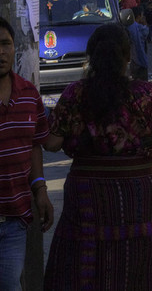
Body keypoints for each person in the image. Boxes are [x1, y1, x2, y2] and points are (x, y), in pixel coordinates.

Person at [43, 24, 152, 289]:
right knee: (134, 269)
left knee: (80, 268)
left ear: (90, 57)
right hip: (137, 195)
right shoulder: (151, 96)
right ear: (128, 56)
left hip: (87, 195)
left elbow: (51, 143)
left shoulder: (75, 94)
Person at [0, 16, 53, 290]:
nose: (1, 52)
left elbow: (35, 144)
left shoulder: (28, 95)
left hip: (14, 221)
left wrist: (40, 189)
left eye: (5, 44)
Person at [128, 6, 150, 81]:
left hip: (133, 59)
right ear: (138, 16)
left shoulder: (129, 27)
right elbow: (146, 32)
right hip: (140, 60)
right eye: (142, 15)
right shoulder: (139, 27)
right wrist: (145, 24)